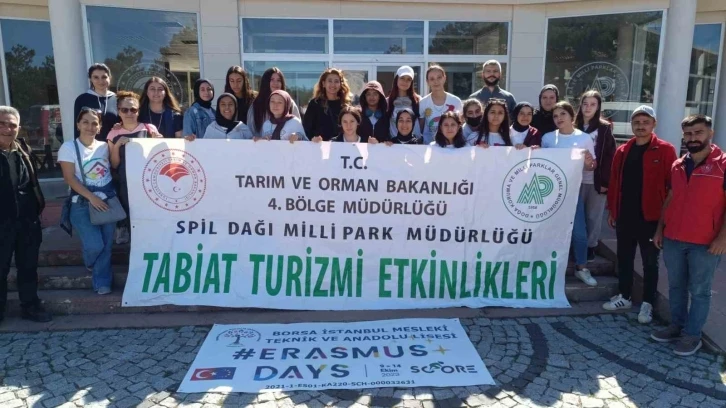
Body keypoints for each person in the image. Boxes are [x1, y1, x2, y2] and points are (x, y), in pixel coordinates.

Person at [651, 114, 726, 356]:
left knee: (700, 291)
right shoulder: (678, 164)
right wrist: (660, 229)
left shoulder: (723, 165)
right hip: (674, 238)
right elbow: (670, 198)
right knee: (676, 287)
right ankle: (677, 326)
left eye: (698, 132)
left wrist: (723, 238)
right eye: (688, 134)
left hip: (705, 243)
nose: (693, 138)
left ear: (710, 133)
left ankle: (692, 335)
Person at [604, 106, 676, 324]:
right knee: (624, 258)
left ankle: (647, 303)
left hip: (651, 218)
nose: (641, 126)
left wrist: (664, 222)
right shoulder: (622, 151)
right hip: (625, 215)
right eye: (637, 122)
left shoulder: (666, 150)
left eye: (645, 122)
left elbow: (672, 187)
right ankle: (624, 296)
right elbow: (614, 182)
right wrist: (613, 210)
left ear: (654, 124)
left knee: (650, 263)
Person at [0, 105, 51, 323]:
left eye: (12, 125)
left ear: (18, 128)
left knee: (28, 267)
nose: (7, 129)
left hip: (27, 221)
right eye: (2, 124)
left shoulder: (23, 149)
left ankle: (30, 306)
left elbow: (31, 183)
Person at [58, 108, 117, 295]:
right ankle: (90, 261)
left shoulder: (104, 146)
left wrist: (117, 144)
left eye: (94, 123)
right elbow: (69, 178)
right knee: (95, 245)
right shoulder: (68, 147)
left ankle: (102, 282)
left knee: (106, 245)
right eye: (85, 122)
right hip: (82, 203)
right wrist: (92, 198)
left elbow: (115, 165)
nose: (90, 127)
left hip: (107, 200)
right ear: (78, 124)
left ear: (99, 127)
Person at [541, 101, 597, 287]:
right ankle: (546, 268)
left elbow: (591, 166)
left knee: (579, 233)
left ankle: (581, 268)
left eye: (562, 114)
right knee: (549, 232)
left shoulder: (584, 138)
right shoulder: (548, 138)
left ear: (571, 116)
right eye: (555, 116)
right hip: (549, 193)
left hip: (573, 192)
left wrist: (588, 162)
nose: (559, 118)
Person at [107, 91, 161, 244]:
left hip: (149, 183)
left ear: (138, 111)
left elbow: (159, 157)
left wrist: (159, 142)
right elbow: (114, 164)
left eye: (133, 109)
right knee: (132, 220)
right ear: (119, 112)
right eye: (125, 110)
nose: (129, 113)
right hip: (126, 185)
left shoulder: (149, 129)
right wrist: (117, 146)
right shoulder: (113, 133)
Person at [575, 90, 616, 262]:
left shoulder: (604, 128)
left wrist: (606, 182)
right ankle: (575, 246)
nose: (588, 107)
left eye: (592, 104)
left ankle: (591, 246)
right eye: (585, 104)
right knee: (576, 216)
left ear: (598, 107)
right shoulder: (573, 125)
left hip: (595, 180)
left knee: (593, 216)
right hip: (575, 179)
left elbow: (609, 156)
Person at [247, 67, 301, 137]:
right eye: (272, 80)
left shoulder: (290, 103)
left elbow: (298, 131)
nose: (276, 83)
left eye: (279, 80)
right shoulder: (256, 105)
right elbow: (250, 133)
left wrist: (296, 136)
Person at [73, 63, 118, 141]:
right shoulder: (82, 99)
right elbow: (77, 127)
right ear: (91, 79)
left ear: (109, 78)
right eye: (96, 77)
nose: (101, 81)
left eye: (104, 77)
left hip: (114, 145)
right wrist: (78, 145)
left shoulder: (116, 99)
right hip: (91, 146)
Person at [303, 68, 350, 141]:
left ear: (341, 84)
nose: (333, 84)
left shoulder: (345, 105)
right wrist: (313, 139)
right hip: (319, 145)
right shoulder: (315, 104)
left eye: (336, 81)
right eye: (330, 81)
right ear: (323, 84)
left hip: (340, 145)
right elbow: (306, 128)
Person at [419, 65, 462, 145]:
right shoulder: (423, 103)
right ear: (427, 82)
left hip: (452, 147)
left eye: (439, 77)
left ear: (444, 78)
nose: (436, 81)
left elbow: (460, 126)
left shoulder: (456, 101)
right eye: (432, 79)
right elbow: (420, 129)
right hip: (429, 146)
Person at [386, 66, 422, 139]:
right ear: (397, 79)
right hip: (394, 143)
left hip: (414, 143)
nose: (405, 82)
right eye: (402, 78)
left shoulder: (418, 100)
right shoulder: (387, 101)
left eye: (408, 79)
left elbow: (422, 123)